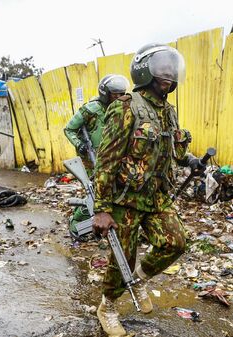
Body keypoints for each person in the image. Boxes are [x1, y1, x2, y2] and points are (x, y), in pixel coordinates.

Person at [93, 44, 202, 336]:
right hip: (126, 199)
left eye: (172, 68)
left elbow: (174, 152)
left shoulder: (169, 112)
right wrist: (102, 209)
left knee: (176, 242)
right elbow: (106, 161)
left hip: (157, 197)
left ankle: (138, 280)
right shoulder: (125, 107)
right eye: (162, 68)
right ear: (145, 70)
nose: (169, 74)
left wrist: (191, 159)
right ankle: (108, 307)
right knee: (122, 259)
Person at [64, 74, 129, 238]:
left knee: (111, 195)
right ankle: (75, 225)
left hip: (112, 160)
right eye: (116, 94)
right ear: (105, 93)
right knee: (93, 195)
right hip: (91, 161)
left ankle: (102, 226)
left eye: (122, 94)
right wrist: (79, 144)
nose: (119, 97)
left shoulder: (122, 110)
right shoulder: (91, 109)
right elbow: (69, 129)